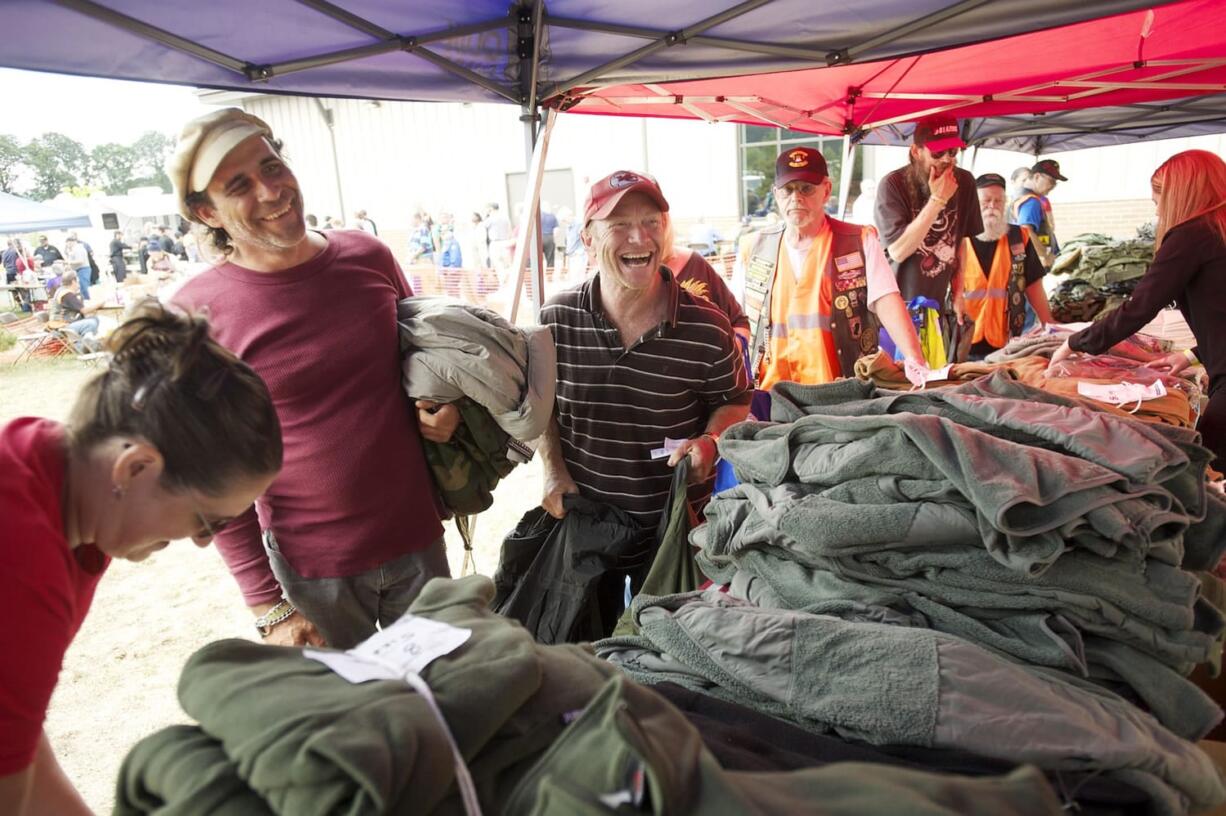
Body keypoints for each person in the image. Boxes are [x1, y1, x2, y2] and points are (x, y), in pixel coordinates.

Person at [168, 107, 459, 649]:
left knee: (444, 708)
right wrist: (267, 605)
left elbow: (428, 358)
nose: (271, 191)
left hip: (419, 544)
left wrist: (445, 409)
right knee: (347, 728)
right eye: (240, 185)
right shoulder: (196, 314)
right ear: (207, 212)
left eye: (272, 167)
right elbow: (212, 474)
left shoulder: (368, 256)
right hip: (310, 574)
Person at [0, 300, 281, 816]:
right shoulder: (21, 556)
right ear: (134, 469)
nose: (202, 543)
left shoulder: (60, 483)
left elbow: (17, 741)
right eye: (209, 522)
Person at [538, 169, 752, 528]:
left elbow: (736, 399)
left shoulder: (709, 327)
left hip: (675, 533)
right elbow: (543, 409)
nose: (639, 238)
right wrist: (552, 470)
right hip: (584, 531)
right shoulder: (555, 320)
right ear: (587, 239)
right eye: (619, 225)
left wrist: (711, 440)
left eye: (651, 221)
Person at [1049, 150, 1226, 465]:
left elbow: (1140, 307)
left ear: (1181, 194)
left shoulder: (1193, 234)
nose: (1158, 211)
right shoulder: (1217, 232)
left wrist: (1076, 342)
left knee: (1206, 468)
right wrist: (1190, 355)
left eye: (1159, 200)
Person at [744, 147, 925, 401]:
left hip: (840, 394)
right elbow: (739, 320)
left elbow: (886, 300)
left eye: (807, 188)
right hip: (773, 395)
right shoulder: (755, 246)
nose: (796, 198)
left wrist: (915, 360)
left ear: (826, 190)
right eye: (788, 190)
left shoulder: (859, 240)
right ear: (776, 194)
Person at [875, 115, 983, 365]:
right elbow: (899, 251)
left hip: (935, 307)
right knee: (896, 383)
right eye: (938, 152)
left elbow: (961, 241)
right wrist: (937, 201)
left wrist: (958, 293)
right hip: (895, 307)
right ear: (916, 151)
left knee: (933, 378)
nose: (947, 159)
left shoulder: (964, 181)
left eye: (953, 151)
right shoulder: (893, 185)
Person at [961, 173, 1053, 360]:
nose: (992, 207)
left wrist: (1049, 325)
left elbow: (1034, 284)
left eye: (998, 201)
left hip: (1005, 344)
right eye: (985, 201)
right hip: (962, 341)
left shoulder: (1019, 237)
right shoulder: (956, 237)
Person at [1011, 158, 1066, 270]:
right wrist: (1044, 256)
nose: (1053, 186)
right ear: (1036, 177)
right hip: (1037, 265)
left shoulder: (1018, 197)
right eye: (1052, 181)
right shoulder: (1031, 202)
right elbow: (1026, 230)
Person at [51, 270, 102, 349]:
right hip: (62, 326)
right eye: (77, 281)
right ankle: (82, 346)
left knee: (94, 319)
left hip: (65, 323)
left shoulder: (61, 290)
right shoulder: (66, 294)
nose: (78, 283)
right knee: (90, 323)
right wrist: (100, 304)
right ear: (73, 281)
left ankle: (87, 343)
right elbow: (84, 310)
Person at [64, 237, 92, 302]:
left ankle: (88, 301)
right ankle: (85, 301)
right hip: (79, 270)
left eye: (67, 244)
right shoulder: (74, 250)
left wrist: (68, 262)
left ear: (70, 242)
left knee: (85, 288)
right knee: (82, 288)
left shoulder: (78, 249)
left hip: (83, 269)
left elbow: (80, 261)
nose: (67, 246)